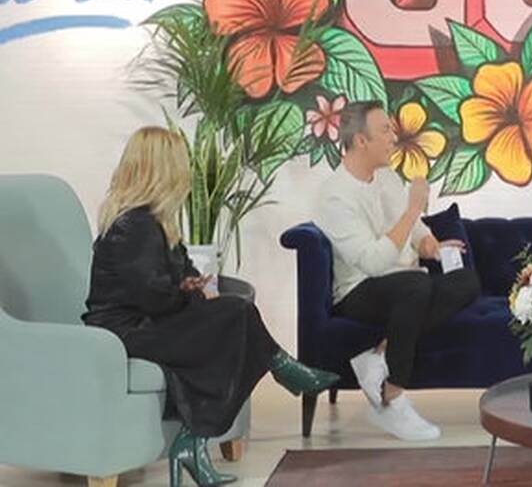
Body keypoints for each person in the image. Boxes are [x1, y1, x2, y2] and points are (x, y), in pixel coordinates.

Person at [83, 127, 339, 487]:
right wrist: (191, 293)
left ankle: (198, 438)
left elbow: (177, 273)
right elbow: (154, 296)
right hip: (127, 332)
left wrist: (192, 284)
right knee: (237, 315)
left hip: (148, 323)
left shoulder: (155, 223)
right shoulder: (134, 225)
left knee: (236, 317)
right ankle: (280, 369)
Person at [315, 100, 481, 441]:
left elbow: (415, 230)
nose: (394, 137)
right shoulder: (335, 197)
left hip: (408, 285)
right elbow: (373, 262)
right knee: (414, 287)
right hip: (361, 288)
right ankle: (392, 395)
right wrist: (413, 208)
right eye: (385, 131)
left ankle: (377, 354)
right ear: (361, 141)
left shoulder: (387, 177)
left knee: (467, 280)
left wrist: (431, 246)